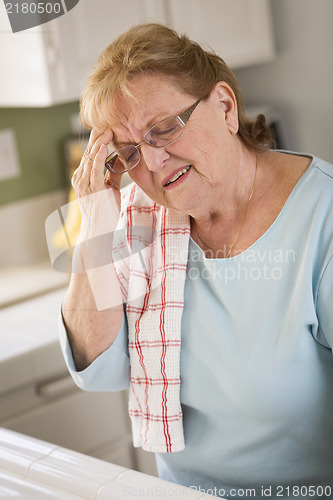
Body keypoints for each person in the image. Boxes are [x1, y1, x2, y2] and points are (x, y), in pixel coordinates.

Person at [60, 23, 333, 499]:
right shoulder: (138, 221)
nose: (154, 161)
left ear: (225, 106)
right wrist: (95, 227)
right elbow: (95, 366)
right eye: (128, 153)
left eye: (164, 128)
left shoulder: (322, 218)